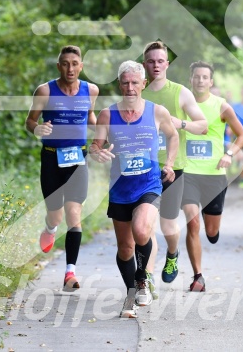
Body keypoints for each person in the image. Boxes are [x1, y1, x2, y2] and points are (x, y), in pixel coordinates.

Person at [89, 60, 179, 318]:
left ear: (144, 84)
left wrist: (170, 164)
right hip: (120, 188)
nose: (130, 87)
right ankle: (131, 291)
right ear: (120, 84)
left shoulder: (157, 112)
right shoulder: (108, 114)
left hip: (149, 184)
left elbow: (173, 136)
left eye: (134, 83)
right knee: (125, 248)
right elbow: (96, 145)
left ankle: (142, 280)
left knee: (142, 230)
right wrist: (98, 153)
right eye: (125, 83)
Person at [25, 45, 99, 291]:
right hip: (51, 159)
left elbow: (90, 117)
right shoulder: (45, 90)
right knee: (56, 215)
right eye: (65, 63)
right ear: (59, 66)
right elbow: (30, 120)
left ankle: (70, 273)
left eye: (75, 63)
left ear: (81, 66)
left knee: (74, 215)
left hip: (78, 159)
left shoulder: (91, 90)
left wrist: (100, 136)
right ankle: (50, 227)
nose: (70, 68)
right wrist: (37, 129)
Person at [141, 41, 208, 289]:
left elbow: (202, 126)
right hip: (143, 168)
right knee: (145, 225)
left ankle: (172, 254)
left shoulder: (180, 92)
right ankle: (145, 278)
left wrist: (178, 123)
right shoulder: (138, 91)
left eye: (160, 61)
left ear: (167, 64)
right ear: (144, 64)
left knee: (168, 225)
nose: (156, 65)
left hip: (173, 168)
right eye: (151, 61)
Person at [183, 61, 243, 291]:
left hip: (214, 175)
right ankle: (197, 276)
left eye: (204, 77)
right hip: (188, 173)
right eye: (196, 77)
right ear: (191, 80)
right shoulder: (181, 104)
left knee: (210, 231)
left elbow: (241, 136)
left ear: (211, 82)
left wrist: (229, 154)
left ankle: (213, 232)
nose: (200, 81)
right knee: (192, 223)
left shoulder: (222, 106)